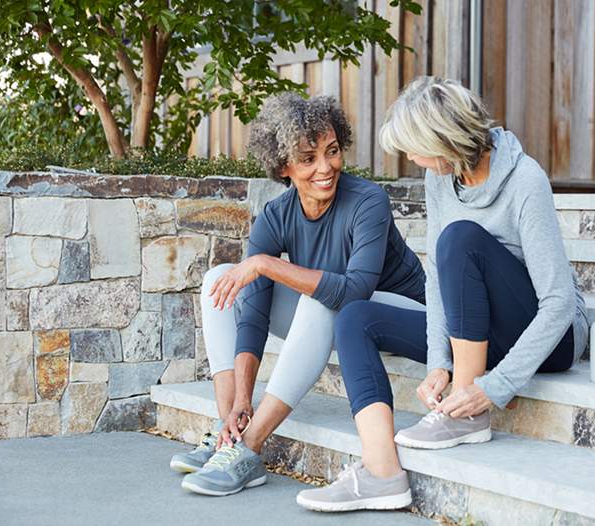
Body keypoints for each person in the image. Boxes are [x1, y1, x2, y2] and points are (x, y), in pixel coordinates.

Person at [297, 75, 588, 510]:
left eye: (415, 147)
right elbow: (436, 279)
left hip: (550, 341)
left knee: (459, 239)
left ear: (444, 139)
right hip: (479, 334)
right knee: (357, 317)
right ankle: (381, 472)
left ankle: (466, 414)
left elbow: (560, 303)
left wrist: (492, 388)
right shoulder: (441, 180)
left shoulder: (525, 180)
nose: (411, 158)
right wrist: (439, 363)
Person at [169, 92, 425, 507]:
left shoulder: (368, 201)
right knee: (221, 279)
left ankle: (249, 448)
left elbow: (355, 290)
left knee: (319, 297)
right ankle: (228, 433)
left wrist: (268, 265)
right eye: (308, 158)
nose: (325, 168)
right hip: (344, 324)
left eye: (332, 151)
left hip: (402, 317)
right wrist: (240, 399)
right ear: (284, 166)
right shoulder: (276, 214)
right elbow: (251, 312)